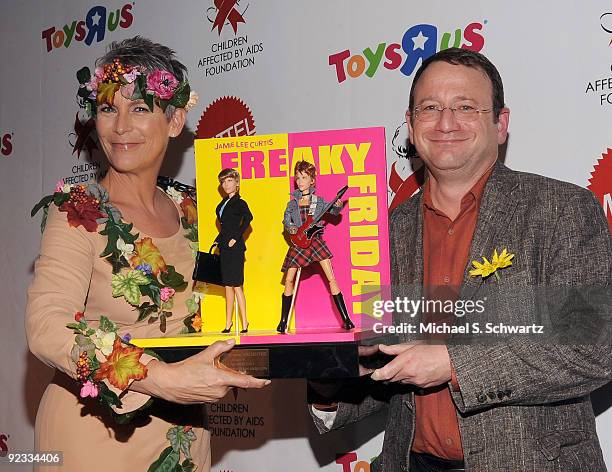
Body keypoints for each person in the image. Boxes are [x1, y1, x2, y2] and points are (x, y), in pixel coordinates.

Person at [310, 48, 612, 471]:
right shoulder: (380, 233)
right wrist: (326, 376)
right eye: (430, 108)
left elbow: (595, 348)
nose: (446, 122)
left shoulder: (560, 210)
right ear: (411, 125)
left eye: (466, 107)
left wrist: (454, 363)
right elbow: (383, 366)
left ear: (500, 123)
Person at [26, 37, 269, 472]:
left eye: (139, 108)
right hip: (92, 436)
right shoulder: (79, 212)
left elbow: (241, 299)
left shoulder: (196, 213)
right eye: (107, 108)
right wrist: (160, 378)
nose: (119, 127)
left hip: (183, 436)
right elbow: (47, 326)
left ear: (175, 120)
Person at [277, 160, 355, 333]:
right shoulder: (292, 204)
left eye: (304, 177)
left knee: (331, 278)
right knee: (289, 279)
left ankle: (346, 319)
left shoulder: (318, 202)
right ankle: (283, 320)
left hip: (315, 241)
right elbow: (286, 220)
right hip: (299, 241)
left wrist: (337, 207)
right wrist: (291, 228)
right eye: (298, 178)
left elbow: (332, 212)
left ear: (312, 180)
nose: (300, 181)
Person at [214, 168, 252, 333]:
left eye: (229, 181)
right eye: (223, 181)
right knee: (227, 286)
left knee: (237, 285)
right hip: (224, 247)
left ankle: (245, 322)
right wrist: (217, 241)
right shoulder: (222, 204)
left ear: (237, 183)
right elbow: (224, 227)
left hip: (235, 248)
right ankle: (228, 323)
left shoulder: (240, 203)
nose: (226, 184)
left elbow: (248, 219)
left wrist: (236, 237)